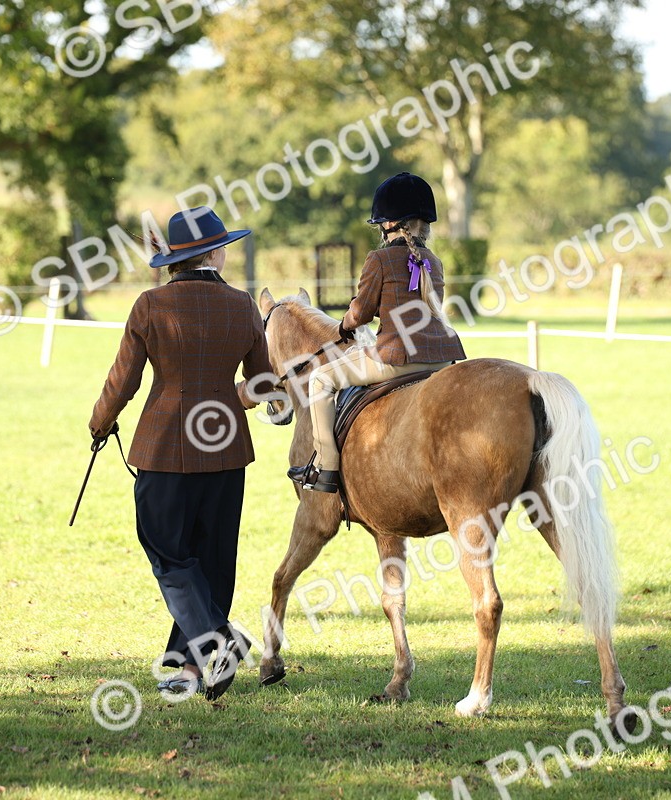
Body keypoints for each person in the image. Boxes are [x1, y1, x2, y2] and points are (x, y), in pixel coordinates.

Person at [88, 207, 273, 700]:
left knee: (169, 553)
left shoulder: (150, 305)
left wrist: (99, 422)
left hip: (164, 446)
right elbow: (262, 382)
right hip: (226, 449)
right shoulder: (243, 306)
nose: (227, 251)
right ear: (212, 253)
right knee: (212, 560)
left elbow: (122, 380)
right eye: (224, 245)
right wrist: (224, 401)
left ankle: (219, 644)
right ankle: (188, 669)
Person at [288, 172, 467, 493]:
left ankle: (326, 467)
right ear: (424, 224)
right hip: (443, 360)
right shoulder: (434, 261)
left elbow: (361, 313)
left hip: (398, 359)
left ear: (387, 224)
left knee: (320, 380)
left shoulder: (380, 259)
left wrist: (344, 326)